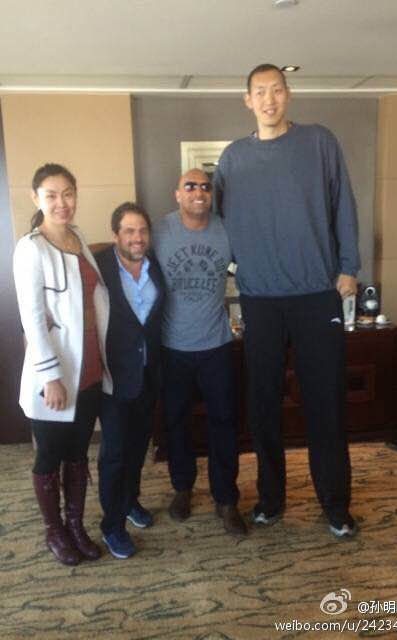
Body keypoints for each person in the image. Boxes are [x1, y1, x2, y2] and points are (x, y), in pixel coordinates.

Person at [214, 63, 361, 538]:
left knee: (326, 405)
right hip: (260, 299)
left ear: (288, 94)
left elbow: (343, 204)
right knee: (263, 408)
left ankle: (335, 506)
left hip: (316, 295)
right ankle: (271, 500)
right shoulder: (233, 158)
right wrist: (227, 269)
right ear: (247, 100)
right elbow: (217, 222)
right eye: (260, 92)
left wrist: (349, 265)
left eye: (276, 90)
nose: (269, 99)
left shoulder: (319, 142)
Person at [13, 163, 109, 565]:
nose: (61, 203)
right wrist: (50, 377)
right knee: (50, 454)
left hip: (89, 368)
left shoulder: (78, 238)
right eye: (51, 195)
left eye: (68, 193)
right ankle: (54, 531)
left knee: (77, 453)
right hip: (54, 375)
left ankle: (76, 526)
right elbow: (33, 320)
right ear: (36, 199)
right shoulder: (31, 248)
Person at [153, 169, 247, 536]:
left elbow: (254, 264)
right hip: (172, 347)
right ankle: (183, 488)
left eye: (205, 187)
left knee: (224, 422)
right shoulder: (159, 231)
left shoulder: (228, 230)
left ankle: (226, 499)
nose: (199, 192)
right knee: (176, 422)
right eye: (190, 186)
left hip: (216, 345)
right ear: (177, 194)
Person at [95, 203, 165, 559]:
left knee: (138, 447)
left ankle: (130, 501)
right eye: (129, 231)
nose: (137, 238)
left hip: (148, 375)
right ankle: (112, 525)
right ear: (116, 235)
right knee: (115, 454)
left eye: (142, 231)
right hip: (113, 378)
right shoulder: (99, 267)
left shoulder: (156, 267)